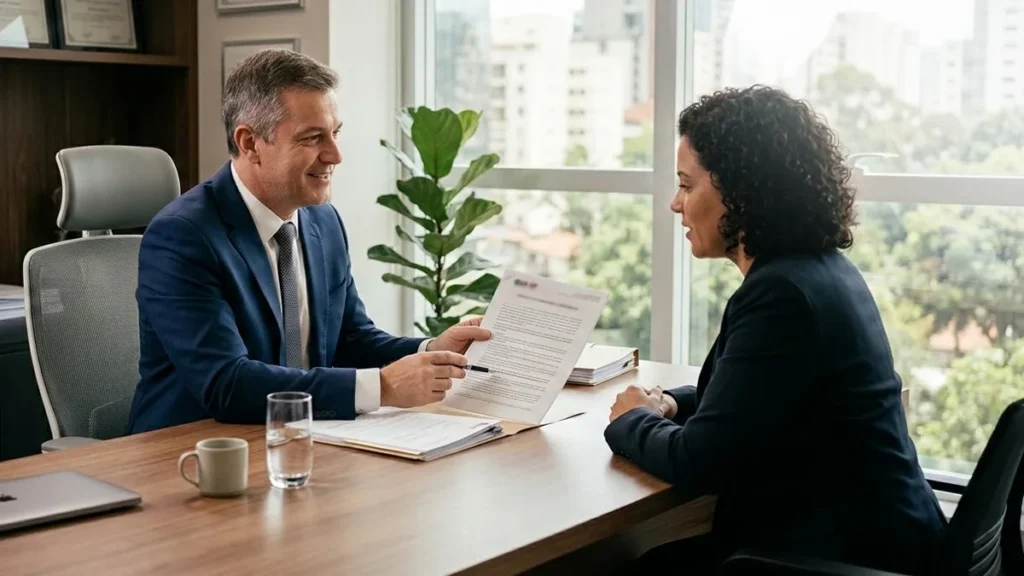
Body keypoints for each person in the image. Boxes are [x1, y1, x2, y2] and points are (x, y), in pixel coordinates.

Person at [603, 85, 947, 574]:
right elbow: (755, 398)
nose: (675, 205)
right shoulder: (820, 271)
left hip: (836, 557)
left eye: (686, 184)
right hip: (885, 542)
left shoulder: (781, 295)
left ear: (740, 190)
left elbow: (698, 463)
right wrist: (673, 403)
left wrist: (631, 419)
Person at [126, 50, 489, 433]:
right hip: (193, 451)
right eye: (313, 138)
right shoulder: (183, 236)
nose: (335, 155)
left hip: (300, 439)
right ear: (250, 143)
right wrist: (382, 387)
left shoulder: (321, 220)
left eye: (335, 133)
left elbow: (350, 338)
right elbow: (226, 384)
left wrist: (432, 351)